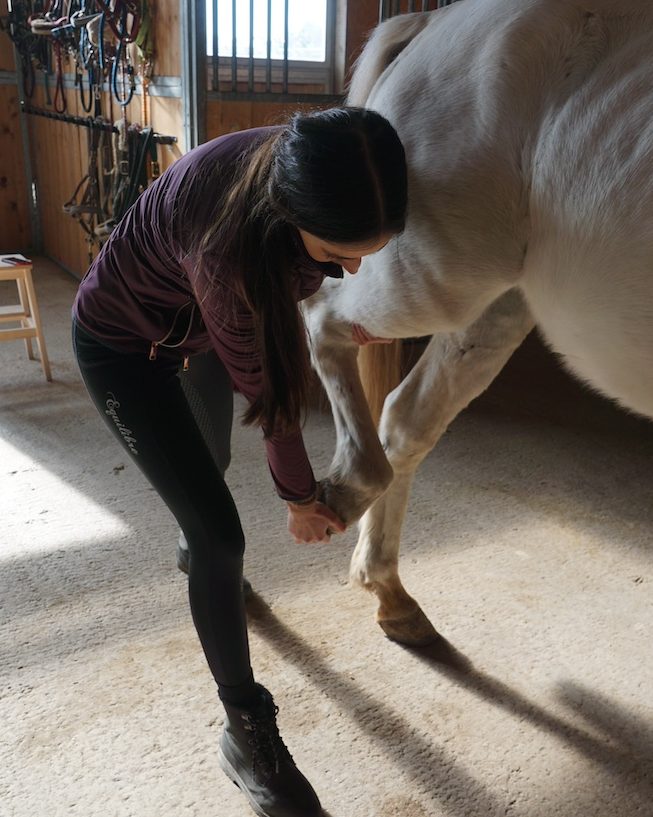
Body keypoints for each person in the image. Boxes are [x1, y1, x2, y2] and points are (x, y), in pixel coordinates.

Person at [71, 107, 407, 817]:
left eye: (365, 252)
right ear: (291, 211)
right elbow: (272, 394)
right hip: (125, 349)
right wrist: (299, 498)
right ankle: (245, 733)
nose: (350, 268)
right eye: (339, 252)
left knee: (209, 464)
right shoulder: (229, 248)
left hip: (195, 337)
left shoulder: (314, 164)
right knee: (220, 535)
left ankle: (200, 558)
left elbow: (294, 310)